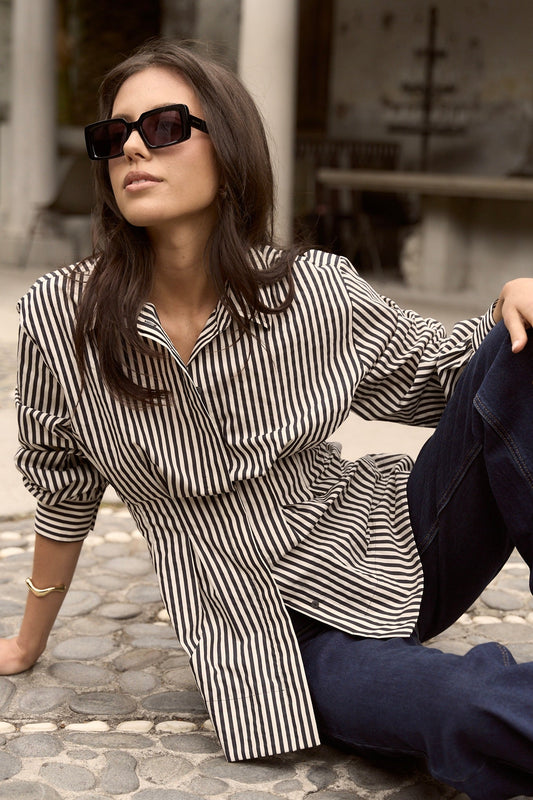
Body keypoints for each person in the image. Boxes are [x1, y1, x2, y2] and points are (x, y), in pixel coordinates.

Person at [1, 38, 533, 800]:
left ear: (230, 147)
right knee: (456, 709)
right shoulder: (63, 318)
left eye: (162, 128)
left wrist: (509, 296)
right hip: (278, 639)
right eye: (112, 136)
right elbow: (61, 489)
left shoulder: (312, 290)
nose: (129, 150)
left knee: (524, 341)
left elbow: (446, 375)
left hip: (408, 538)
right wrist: (26, 640)